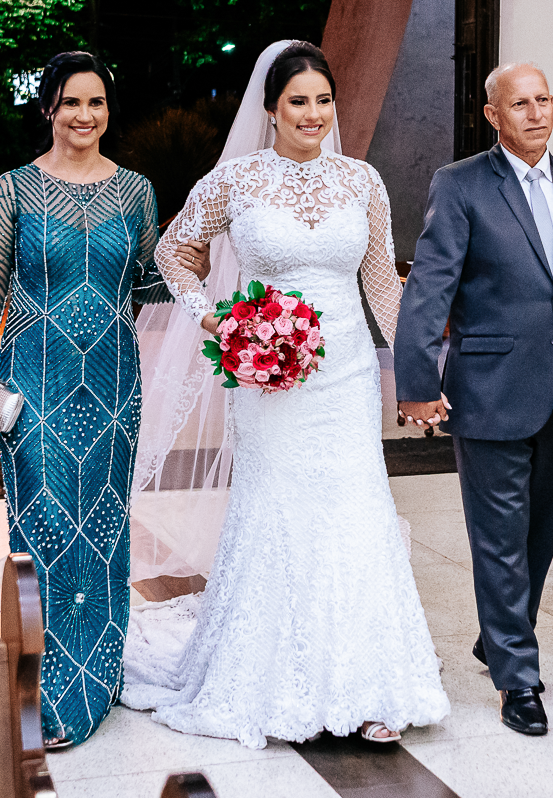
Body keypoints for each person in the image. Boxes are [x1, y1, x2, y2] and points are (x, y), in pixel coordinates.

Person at [121, 40, 450, 749]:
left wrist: (417, 373)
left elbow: (381, 285)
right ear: (270, 110)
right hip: (267, 380)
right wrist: (218, 318)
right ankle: (272, 679)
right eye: (297, 101)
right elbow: (173, 251)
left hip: (347, 376)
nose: (312, 114)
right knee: (277, 514)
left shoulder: (362, 181)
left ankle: (369, 686)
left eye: (323, 101)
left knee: (357, 512)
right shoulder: (235, 182)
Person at [0, 51, 209, 749]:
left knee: (100, 531)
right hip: (32, 383)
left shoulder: (135, 191)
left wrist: (201, 261)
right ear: (48, 109)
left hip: (111, 386)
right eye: (71, 102)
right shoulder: (12, 190)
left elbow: (147, 283)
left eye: (96, 103)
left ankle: (92, 679)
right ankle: (39, 681)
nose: (84, 115)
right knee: (41, 527)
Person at [393, 62, 553, 736]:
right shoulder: (461, 185)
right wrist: (417, 384)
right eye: (519, 104)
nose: (535, 114)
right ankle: (517, 680)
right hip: (491, 389)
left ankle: (499, 634)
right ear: (493, 115)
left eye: (544, 100)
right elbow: (429, 290)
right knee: (498, 539)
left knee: (541, 532)